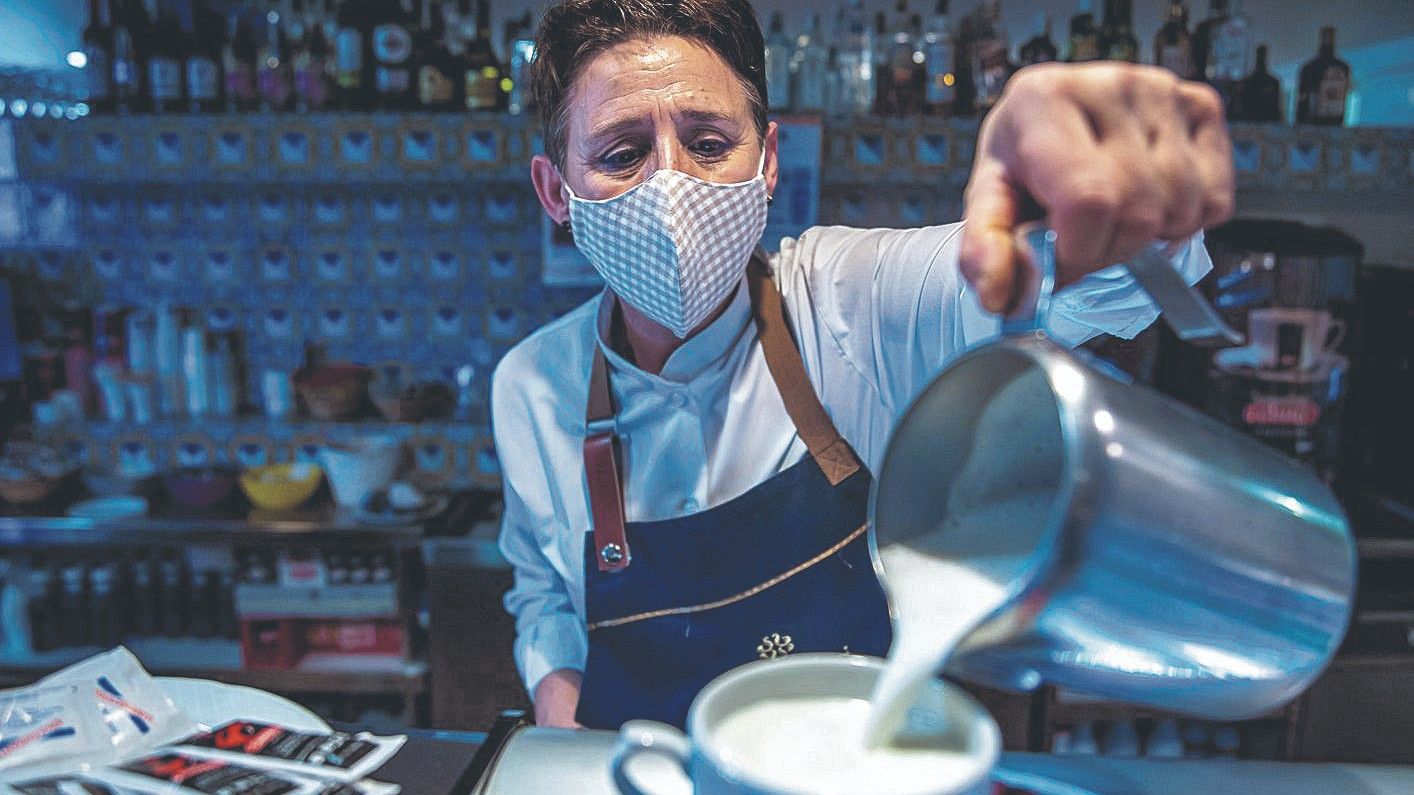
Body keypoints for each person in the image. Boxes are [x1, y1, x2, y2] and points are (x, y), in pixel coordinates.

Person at [494, 0, 1233, 730]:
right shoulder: (530, 388)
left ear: (769, 162)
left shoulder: (854, 303)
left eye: (710, 143)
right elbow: (546, 594)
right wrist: (560, 710)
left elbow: (1085, 284)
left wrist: (1114, 185)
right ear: (556, 191)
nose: (672, 189)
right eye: (623, 154)